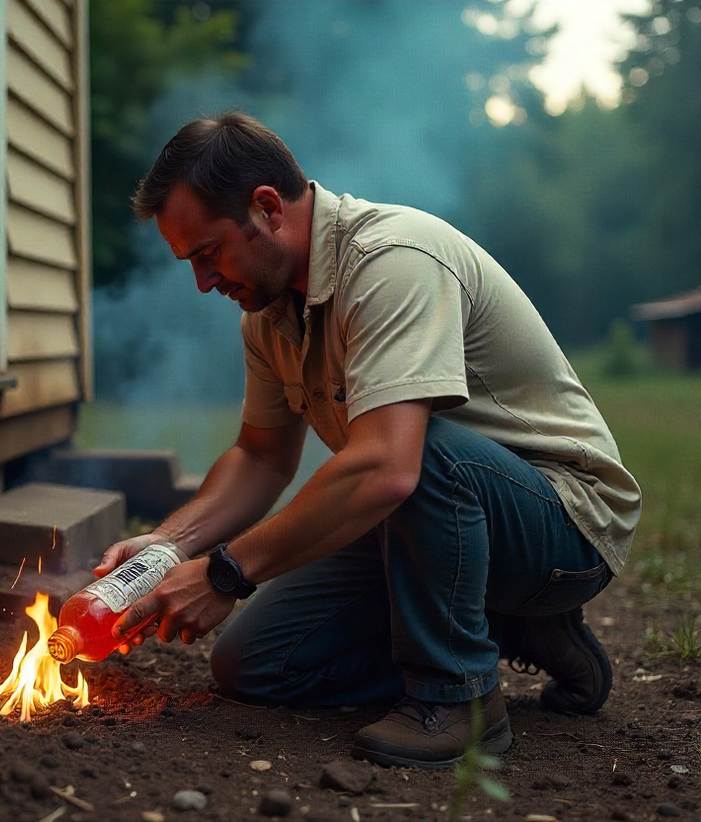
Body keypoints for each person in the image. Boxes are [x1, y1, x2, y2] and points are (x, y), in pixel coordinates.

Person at [94, 111, 641, 769]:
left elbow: (388, 468)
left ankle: (456, 696)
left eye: (207, 253)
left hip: (562, 525)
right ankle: (501, 627)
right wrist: (169, 544)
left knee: (412, 449)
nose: (203, 282)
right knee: (253, 664)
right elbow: (261, 457)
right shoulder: (268, 314)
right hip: (429, 526)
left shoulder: (391, 262)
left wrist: (225, 571)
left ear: (266, 207)